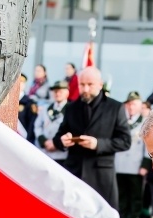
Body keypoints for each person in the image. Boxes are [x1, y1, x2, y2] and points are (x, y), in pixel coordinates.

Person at [53, 66, 131, 210]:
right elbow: (58, 137)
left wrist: (98, 144)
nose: (86, 89)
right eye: (82, 85)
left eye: (90, 85)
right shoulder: (71, 108)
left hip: (101, 176)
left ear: (100, 85)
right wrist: (62, 140)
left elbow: (125, 142)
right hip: (75, 173)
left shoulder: (116, 107)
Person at [115, 91, 148, 218]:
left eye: (134, 104)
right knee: (121, 193)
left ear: (140, 106)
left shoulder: (145, 122)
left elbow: (148, 145)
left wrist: (145, 164)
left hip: (135, 164)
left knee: (135, 195)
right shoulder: (120, 120)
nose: (131, 107)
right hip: (119, 163)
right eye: (128, 104)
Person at [34, 80, 70, 163]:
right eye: (55, 91)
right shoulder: (46, 108)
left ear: (67, 93)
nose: (57, 93)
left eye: (60, 91)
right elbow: (37, 126)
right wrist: (43, 141)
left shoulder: (70, 109)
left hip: (62, 154)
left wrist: (56, 144)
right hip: (45, 152)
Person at [18, 73, 38, 144]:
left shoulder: (29, 103)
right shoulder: (8, 102)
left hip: (24, 140)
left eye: (21, 82)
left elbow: (32, 124)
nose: (18, 85)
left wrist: (28, 140)